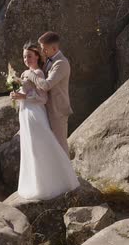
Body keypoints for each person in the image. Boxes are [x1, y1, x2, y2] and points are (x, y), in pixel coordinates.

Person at [10, 42, 80, 200]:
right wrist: (15, 95)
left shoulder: (39, 73)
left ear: (36, 57)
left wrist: (24, 97)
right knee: (29, 149)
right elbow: (23, 92)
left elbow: (42, 98)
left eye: (29, 56)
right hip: (25, 113)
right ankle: (34, 183)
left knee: (40, 148)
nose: (26, 59)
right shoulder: (24, 73)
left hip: (36, 114)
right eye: (24, 56)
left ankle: (56, 183)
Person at [21, 31, 73, 155]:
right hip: (45, 110)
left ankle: (67, 174)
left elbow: (46, 85)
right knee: (50, 147)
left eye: (44, 49)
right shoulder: (49, 60)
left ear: (54, 48)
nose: (42, 52)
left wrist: (29, 74)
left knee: (60, 146)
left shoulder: (61, 63)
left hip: (57, 111)